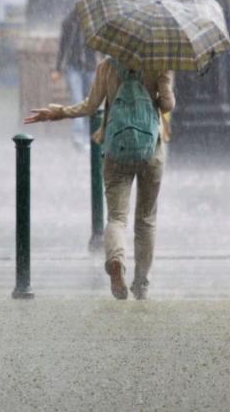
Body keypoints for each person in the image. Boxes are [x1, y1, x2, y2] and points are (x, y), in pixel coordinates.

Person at [25, 57, 174, 301]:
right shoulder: (158, 62)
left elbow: (90, 106)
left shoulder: (108, 65)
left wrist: (58, 113)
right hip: (151, 150)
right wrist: (160, 88)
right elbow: (167, 104)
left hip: (116, 150)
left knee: (116, 217)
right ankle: (141, 285)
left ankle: (116, 259)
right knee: (146, 220)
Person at [52, 10, 100, 151]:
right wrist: (57, 68)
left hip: (90, 68)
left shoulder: (95, 24)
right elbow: (63, 46)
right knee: (77, 101)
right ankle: (79, 138)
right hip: (74, 68)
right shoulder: (70, 22)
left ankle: (89, 136)